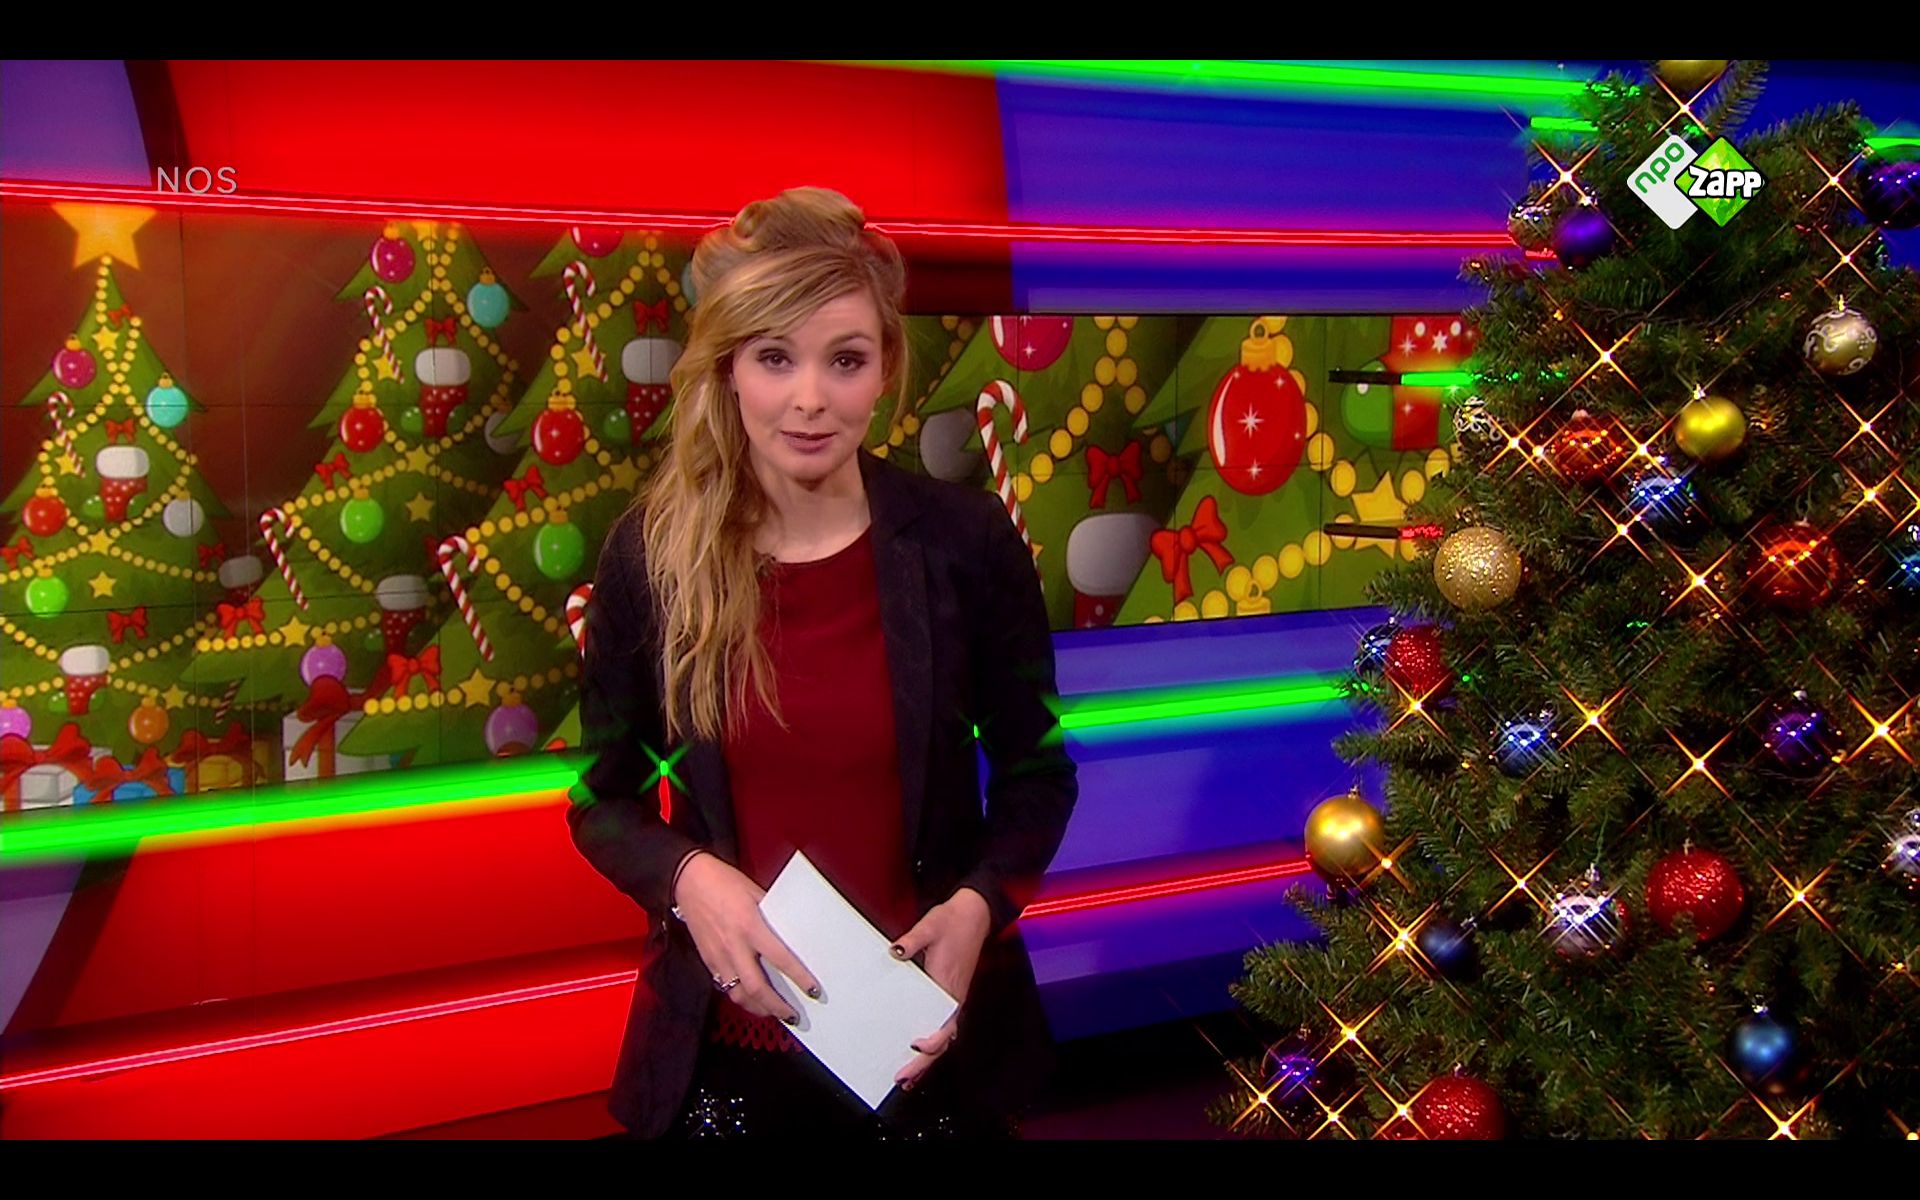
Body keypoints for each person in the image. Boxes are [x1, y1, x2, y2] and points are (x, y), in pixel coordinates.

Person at [567, 186, 1079, 1139]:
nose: (810, 399)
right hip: (729, 1055)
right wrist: (688, 877)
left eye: (845, 360)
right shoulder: (651, 557)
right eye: (775, 358)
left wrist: (978, 906)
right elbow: (602, 802)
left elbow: (1037, 774)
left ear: (884, 369)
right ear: (727, 369)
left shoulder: (963, 542)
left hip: (927, 1047)